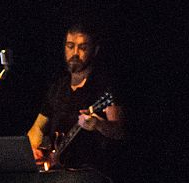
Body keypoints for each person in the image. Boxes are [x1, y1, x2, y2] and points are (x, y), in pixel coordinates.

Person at [26, 22, 125, 171]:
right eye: (70, 46)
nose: (75, 53)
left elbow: (119, 131)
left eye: (82, 48)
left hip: (90, 173)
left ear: (95, 50)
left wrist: (98, 124)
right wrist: (31, 150)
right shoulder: (58, 87)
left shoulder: (104, 86)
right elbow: (38, 127)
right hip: (58, 172)